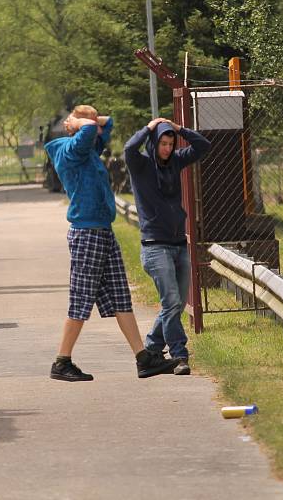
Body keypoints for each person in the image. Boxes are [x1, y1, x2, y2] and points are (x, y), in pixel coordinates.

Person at [44, 105, 179, 382]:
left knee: (120, 296)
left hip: (103, 231)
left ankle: (143, 359)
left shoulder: (88, 150)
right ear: (77, 127)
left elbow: (108, 124)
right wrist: (79, 122)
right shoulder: (70, 151)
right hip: (87, 233)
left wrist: (90, 120)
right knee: (81, 301)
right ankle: (62, 362)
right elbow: (92, 130)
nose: (98, 130)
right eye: (89, 124)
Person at [124, 117, 211, 375]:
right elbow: (129, 148)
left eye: (170, 144)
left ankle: (151, 350)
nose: (167, 148)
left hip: (178, 244)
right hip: (155, 246)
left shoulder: (175, 161)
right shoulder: (140, 165)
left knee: (175, 303)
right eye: (162, 143)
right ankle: (180, 355)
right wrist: (150, 127)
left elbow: (203, 146)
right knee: (172, 301)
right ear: (154, 142)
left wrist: (179, 129)